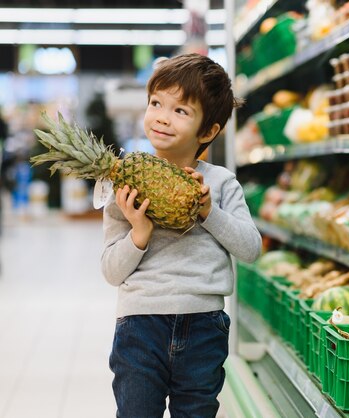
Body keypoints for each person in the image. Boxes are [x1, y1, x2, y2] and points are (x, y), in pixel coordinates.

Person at [101, 53, 262, 418]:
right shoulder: (125, 183)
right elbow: (111, 271)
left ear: (208, 131)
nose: (161, 116)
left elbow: (251, 249)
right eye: (156, 103)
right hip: (139, 325)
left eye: (180, 111)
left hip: (204, 325)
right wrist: (138, 234)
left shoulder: (221, 183)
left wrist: (208, 212)